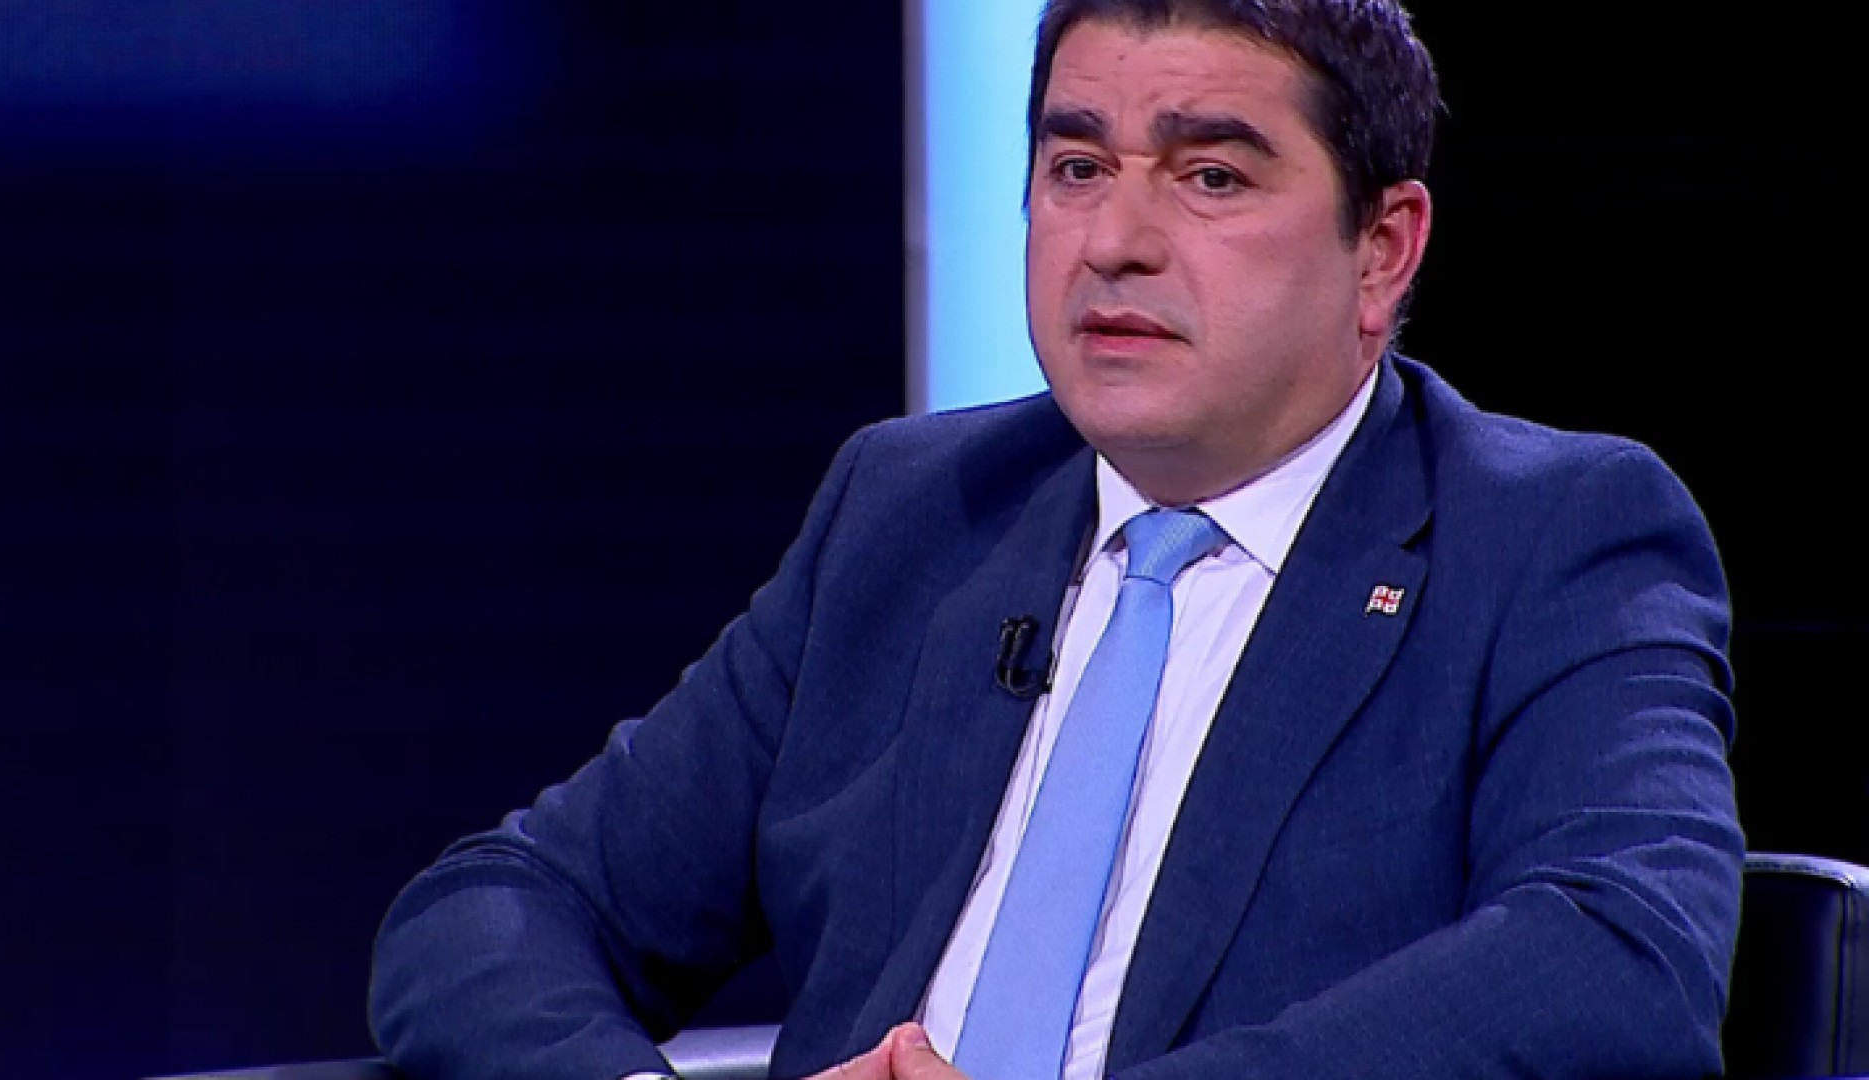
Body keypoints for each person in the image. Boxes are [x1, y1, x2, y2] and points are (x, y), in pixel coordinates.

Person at [368, 1, 1744, 1077]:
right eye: (1077, 166)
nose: (1114, 241)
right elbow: (498, 909)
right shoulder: (912, 513)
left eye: (1211, 176)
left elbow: (1621, 962)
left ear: (1383, 247)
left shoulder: (1551, 540)